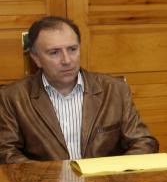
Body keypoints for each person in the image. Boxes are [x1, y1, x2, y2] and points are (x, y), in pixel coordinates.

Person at [0, 16, 158, 163]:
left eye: (72, 49)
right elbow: (6, 152)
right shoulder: (13, 97)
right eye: (54, 52)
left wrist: (110, 175)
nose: (67, 60)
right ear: (36, 59)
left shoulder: (114, 90)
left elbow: (144, 143)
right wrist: (51, 177)